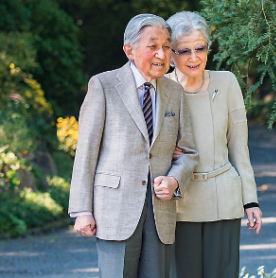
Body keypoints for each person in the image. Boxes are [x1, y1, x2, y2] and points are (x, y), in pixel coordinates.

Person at [68, 13, 199, 278]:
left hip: (159, 213)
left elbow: (189, 152)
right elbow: (86, 152)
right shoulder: (103, 85)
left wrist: (174, 180)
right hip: (114, 209)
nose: (162, 54)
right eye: (153, 46)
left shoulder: (174, 92)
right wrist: (82, 210)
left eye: (166, 46)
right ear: (130, 50)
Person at [166, 11, 263, 278]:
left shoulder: (227, 82)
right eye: (184, 51)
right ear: (171, 53)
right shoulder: (160, 88)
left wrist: (250, 201)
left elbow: (240, 150)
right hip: (178, 203)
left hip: (223, 200)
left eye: (200, 48)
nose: (194, 57)